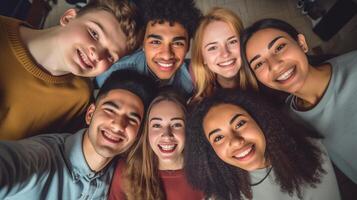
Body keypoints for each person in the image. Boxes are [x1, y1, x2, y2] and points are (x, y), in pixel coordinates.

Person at [0, 70, 157, 199]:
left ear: (138, 134)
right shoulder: (42, 158)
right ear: (90, 114)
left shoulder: (121, 176)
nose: (118, 125)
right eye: (110, 110)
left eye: (132, 119)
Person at [0, 0, 143, 140]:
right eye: (94, 33)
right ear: (68, 18)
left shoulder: (79, 97)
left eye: (110, 56)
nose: (97, 54)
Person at [240, 18, 357, 184]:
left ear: (301, 43)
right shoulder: (287, 121)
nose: (274, 65)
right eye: (259, 64)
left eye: (279, 47)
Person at [185, 89, 341, 200]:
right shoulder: (220, 191)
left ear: (259, 120)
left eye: (240, 124)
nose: (236, 141)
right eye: (218, 138)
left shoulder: (310, 153)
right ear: (211, 151)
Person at [96, 0, 202, 100]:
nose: (166, 55)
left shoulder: (194, 79)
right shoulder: (112, 73)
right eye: (156, 42)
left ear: (188, 46)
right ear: (142, 42)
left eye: (178, 43)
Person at [108, 89, 203, 200]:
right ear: (146, 131)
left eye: (177, 124)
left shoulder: (207, 174)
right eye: (157, 125)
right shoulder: (126, 172)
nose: (167, 135)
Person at [190, 7, 246, 103]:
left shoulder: (265, 82)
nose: (225, 54)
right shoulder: (199, 103)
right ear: (202, 58)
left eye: (232, 42)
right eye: (213, 48)